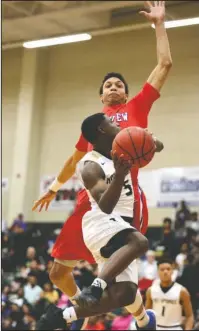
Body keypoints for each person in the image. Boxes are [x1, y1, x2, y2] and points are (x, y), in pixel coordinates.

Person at [33, 1, 172, 328]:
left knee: (124, 282)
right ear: (101, 97)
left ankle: (121, 314)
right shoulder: (93, 128)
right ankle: (83, 305)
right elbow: (73, 160)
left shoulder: (136, 111)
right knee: (56, 271)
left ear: (125, 93)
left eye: (119, 84)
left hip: (124, 196)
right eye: (108, 84)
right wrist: (54, 188)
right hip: (91, 199)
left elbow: (165, 64)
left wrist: (160, 24)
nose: (114, 86)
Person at [36, 113, 163, 330]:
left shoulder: (125, 147)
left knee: (125, 294)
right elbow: (105, 205)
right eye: (112, 122)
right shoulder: (89, 165)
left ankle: (61, 316)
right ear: (101, 130)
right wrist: (121, 175)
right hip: (100, 221)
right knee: (140, 243)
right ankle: (96, 287)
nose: (117, 124)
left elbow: (156, 146)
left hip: (120, 226)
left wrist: (148, 139)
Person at [145, 258, 194, 330]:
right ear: (158, 271)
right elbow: (147, 314)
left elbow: (189, 316)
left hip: (175, 327)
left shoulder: (182, 291)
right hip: (156, 327)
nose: (165, 272)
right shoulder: (151, 290)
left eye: (168, 269)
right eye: (162, 269)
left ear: (172, 271)